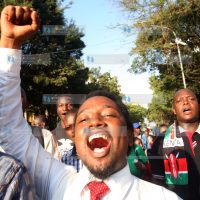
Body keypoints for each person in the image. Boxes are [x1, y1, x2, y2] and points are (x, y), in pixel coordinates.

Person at [0, 5, 182, 200]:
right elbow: (10, 127)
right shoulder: (59, 182)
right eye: (84, 120)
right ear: (76, 140)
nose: (95, 122)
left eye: (108, 115)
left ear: (129, 135)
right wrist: (10, 43)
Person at [150, 88, 200, 200]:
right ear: (174, 110)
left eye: (191, 99)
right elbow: (158, 181)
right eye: (179, 101)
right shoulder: (160, 141)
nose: (186, 102)